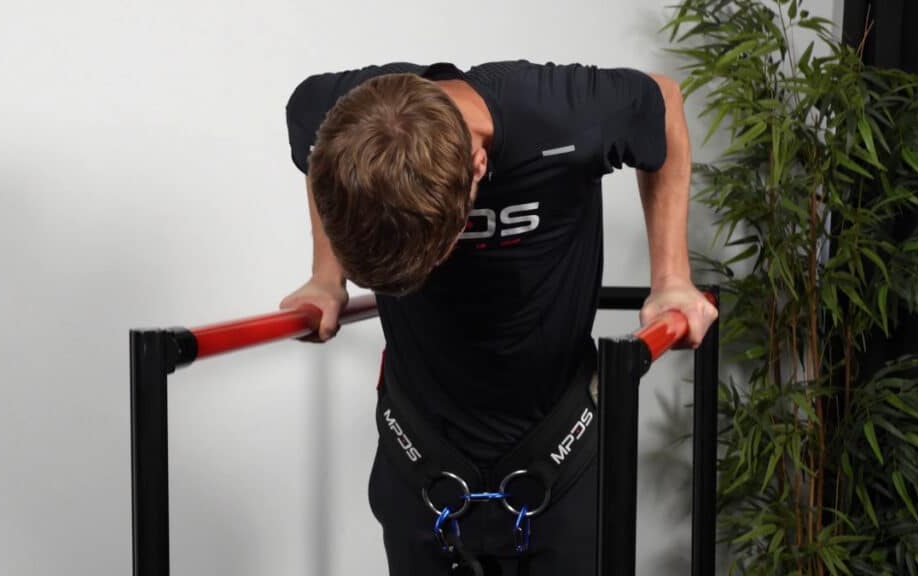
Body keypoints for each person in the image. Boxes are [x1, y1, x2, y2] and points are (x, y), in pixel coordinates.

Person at [280, 61, 717, 576]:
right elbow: (317, 146)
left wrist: (671, 277)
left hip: (560, 445)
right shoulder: (328, 108)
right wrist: (326, 275)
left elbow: (661, 100)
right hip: (419, 449)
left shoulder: (565, 112)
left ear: (478, 166)